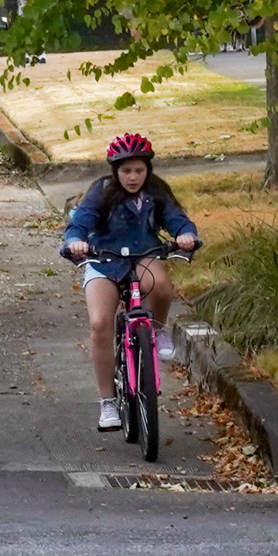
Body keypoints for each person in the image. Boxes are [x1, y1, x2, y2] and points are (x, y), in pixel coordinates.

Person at [62, 133, 199, 430]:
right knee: (100, 324)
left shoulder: (156, 192)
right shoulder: (102, 191)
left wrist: (185, 234)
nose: (133, 177)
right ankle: (108, 403)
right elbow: (80, 222)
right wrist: (75, 241)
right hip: (104, 260)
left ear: (148, 169)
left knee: (162, 285)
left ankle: (158, 333)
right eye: (126, 171)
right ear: (115, 170)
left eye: (139, 170)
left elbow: (177, 219)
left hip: (143, 255)